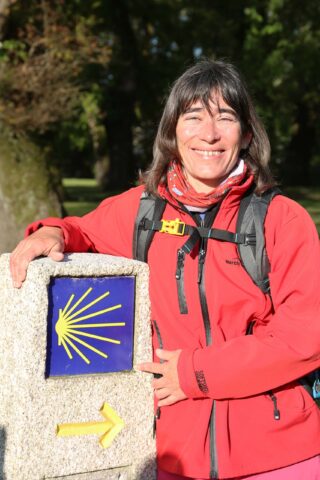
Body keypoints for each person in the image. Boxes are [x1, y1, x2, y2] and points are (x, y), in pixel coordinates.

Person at [10, 60, 320, 479]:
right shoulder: (142, 210)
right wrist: (52, 231)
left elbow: (305, 337)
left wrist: (196, 373)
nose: (208, 134)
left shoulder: (283, 220)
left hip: (282, 453)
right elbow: (83, 229)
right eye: (193, 117)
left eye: (225, 118)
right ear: (173, 131)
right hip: (173, 455)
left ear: (246, 133)